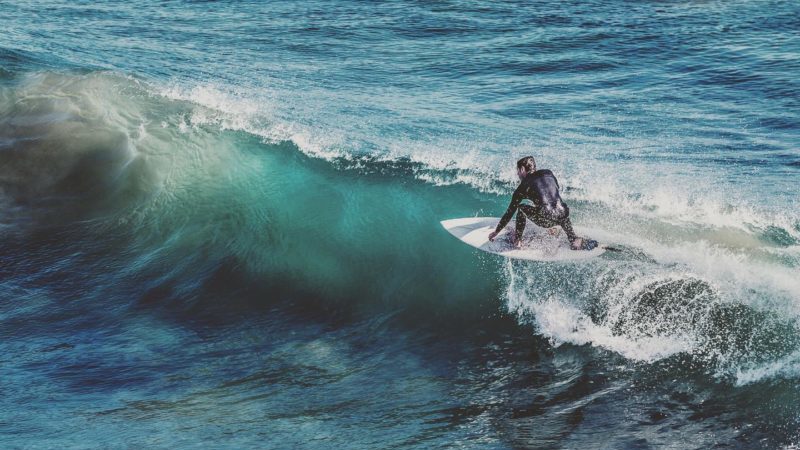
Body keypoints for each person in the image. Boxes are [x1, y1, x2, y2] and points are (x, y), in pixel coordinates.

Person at [488, 156, 596, 250]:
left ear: (522, 169)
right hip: (563, 214)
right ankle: (573, 239)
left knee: (521, 208)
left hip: (546, 218)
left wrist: (496, 232)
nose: (517, 174)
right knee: (557, 206)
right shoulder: (549, 173)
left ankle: (518, 241)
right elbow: (552, 194)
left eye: (518, 171)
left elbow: (509, 212)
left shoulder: (523, 186)